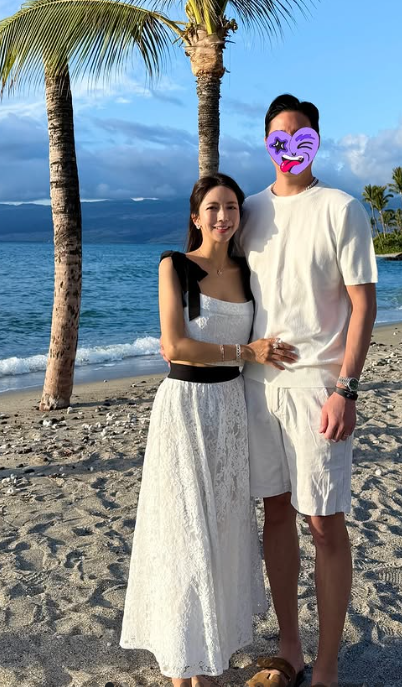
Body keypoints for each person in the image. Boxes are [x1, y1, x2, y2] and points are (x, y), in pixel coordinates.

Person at [120, 173, 298, 687]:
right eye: (213, 208)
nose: (223, 216)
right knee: (183, 530)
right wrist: (246, 352)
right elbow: (175, 345)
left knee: (222, 530)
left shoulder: (246, 272)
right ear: (196, 216)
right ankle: (184, 667)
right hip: (185, 408)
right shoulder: (174, 266)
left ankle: (208, 656)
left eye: (232, 207)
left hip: (232, 407)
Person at [236, 95, 378, 687]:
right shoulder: (247, 210)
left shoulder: (341, 208)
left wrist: (347, 388)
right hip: (256, 389)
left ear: (316, 140)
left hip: (318, 387)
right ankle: (290, 649)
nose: (289, 148)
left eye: (301, 137)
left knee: (323, 522)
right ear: (266, 142)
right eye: (279, 138)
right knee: (275, 514)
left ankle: (327, 665)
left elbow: (363, 303)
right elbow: (220, 287)